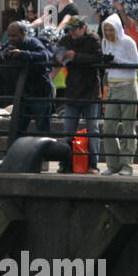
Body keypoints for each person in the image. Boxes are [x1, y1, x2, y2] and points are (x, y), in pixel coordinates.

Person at [0, 21, 54, 142]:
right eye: (9, 35)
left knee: (43, 128)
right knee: (17, 128)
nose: (11, 39)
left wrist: (23, 54)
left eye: (14, 36)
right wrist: (3, 55)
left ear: (23, 34)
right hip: (22, 93)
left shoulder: (33, 42)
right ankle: (12, 156)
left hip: (40, 92)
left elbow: (44, 55)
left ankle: (44, 158)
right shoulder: (9, 45)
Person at [57, 15, 104, 173]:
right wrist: (64, 57)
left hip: (90, 90)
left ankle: (93, 164)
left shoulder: (93, 39)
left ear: (83, 27)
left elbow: (97, 58)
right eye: (70, 30)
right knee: (68, 129)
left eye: (75, 29)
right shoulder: (65, 39)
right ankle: (65, 164)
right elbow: (59, 57)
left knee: (93, 129)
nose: (72, 33)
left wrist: (75, 57)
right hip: (72, 89)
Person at [100, 13, 138, 175]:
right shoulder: (104, 42)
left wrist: (118, 61)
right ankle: (112, 163)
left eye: (111, 30)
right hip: (112, 87)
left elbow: (137, 64)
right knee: (108, 126)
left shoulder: (128, 42)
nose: (109, 33)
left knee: (128, 127)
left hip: (128, 86)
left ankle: (126, 164)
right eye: (106, 30)